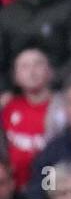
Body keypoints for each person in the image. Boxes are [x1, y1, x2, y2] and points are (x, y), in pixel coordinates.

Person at [1, 48, 64, 189]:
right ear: (15, 76)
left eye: (38, 64)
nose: (32, 71)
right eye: (24, 66)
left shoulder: (64, 108)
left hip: (50, 187)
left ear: (50, 72)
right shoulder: (8, 107)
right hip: (12, 191)